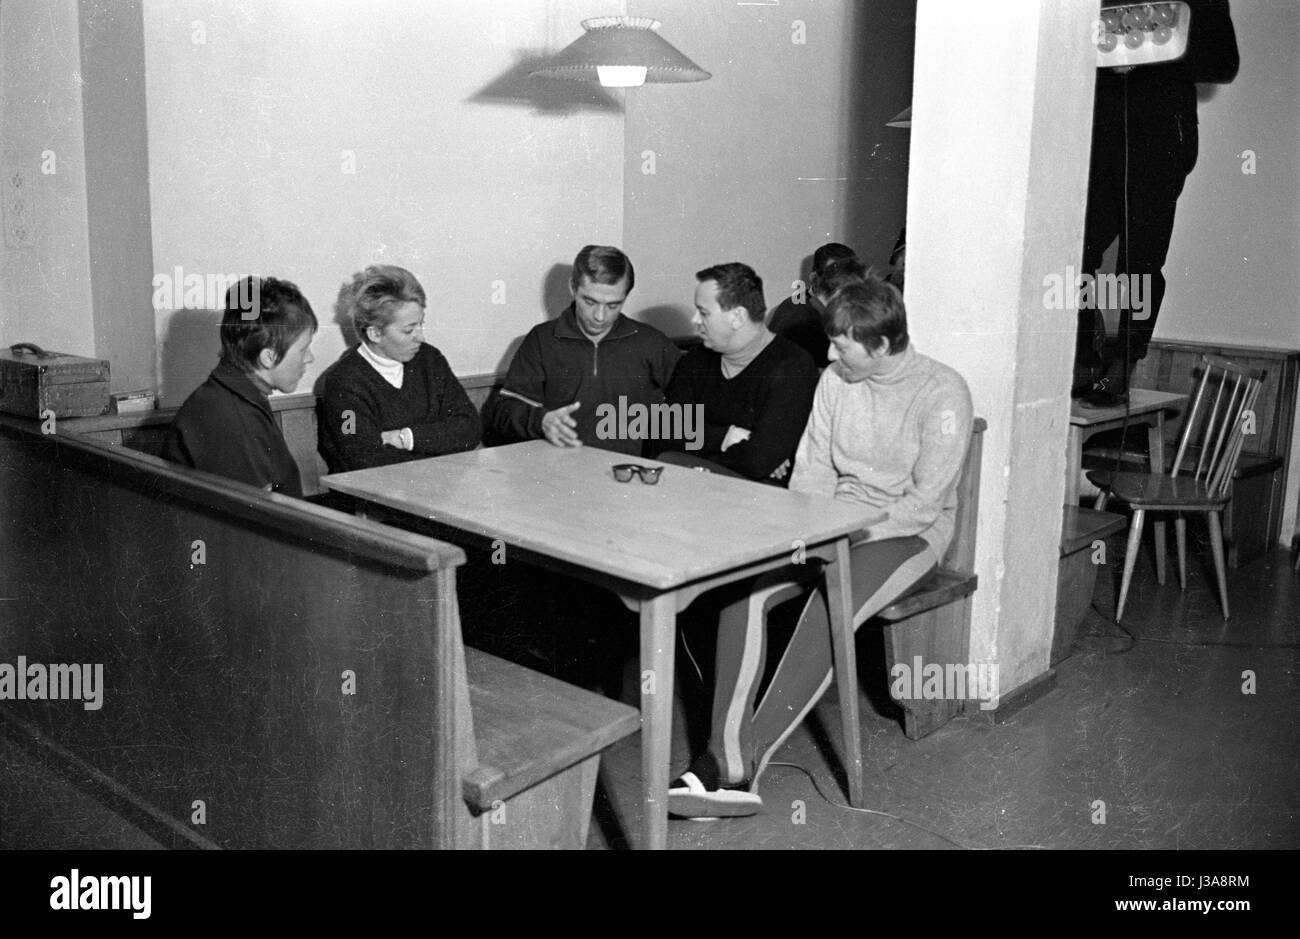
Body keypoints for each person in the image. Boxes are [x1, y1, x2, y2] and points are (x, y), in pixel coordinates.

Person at [668, 275, 973, 818]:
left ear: (881, 346)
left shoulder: (942, 391)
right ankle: (726, 759)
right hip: (829, 524)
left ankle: (740, 765)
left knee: (829, 605)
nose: (830, 354)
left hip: (906, 535)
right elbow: (812, 470)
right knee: (745, 596)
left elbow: (925, 503)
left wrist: (845, 538)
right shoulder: (835, 380)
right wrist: (812, 530)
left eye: (842, 345)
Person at [1075, 0, 1239, 402]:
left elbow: (1222, 62)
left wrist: (1149, 58)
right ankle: (1082, 353)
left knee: (1141, 254)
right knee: (1074, 245)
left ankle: (1123, 363)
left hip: (1162, 130)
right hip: (1099, 126)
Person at [484, 245, 681, 456]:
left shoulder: (651, 342)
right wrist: (542, 421)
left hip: (629, 473)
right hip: (560, 474)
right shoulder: (542, 339)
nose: (600, 316)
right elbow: (504, 412)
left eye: (613, 305)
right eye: (590, 301)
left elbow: (695, 405)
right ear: (573, 288)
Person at [654, 263, 818, 484]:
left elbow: (758, 460)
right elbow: (660, 437)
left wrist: (697, 443)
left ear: (738, 317)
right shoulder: (695, 361)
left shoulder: (793, 367)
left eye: (703, 312)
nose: (695, 320)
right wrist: (726, 437)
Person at [161, 276, 316, 497]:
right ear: (268, 357)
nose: (309, 358)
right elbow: (255, 521)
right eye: (304, 349)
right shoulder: (235, 419)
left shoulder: (229, 396)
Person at [318, 265, 480, 472]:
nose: (421, 337)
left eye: (421, 324)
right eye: (408, 330)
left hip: (439, 486)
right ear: (375, 333)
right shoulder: (343, 383)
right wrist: (436, 444)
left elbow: (470, 428)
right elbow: (362, 457)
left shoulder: (430, 359)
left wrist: (405, 438)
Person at [767, 242, 862, 368]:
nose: (842, 282)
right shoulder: (797, 315)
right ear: (814, 278)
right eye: (833, 275)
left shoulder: (809, 305)